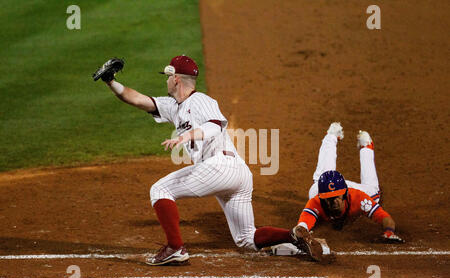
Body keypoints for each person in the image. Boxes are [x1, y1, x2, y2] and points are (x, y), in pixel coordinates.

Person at [98, 55, 322, 265]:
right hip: (235, 174)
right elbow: (137, 99)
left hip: (221, 166)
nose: (166, 81)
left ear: (176, 79)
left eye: (168, 77)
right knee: (246, 239)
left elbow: (214, 126)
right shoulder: (173, 106)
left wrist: (186, 136)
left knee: (160, 190)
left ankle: (175, 248)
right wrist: (110, 81)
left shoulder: (201, 101)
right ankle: (294, 236)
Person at [293, 122, 405, 243]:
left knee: (374, 194)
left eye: (336, 197)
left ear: (345, 194)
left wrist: (388, 232)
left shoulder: (359, 198)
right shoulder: (316, 200)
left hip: (348, 190)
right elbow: (302, 225)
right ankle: (331, 135)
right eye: (329, 198)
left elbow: (385, 217)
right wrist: (301, 233)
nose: (333, 201)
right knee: (323, 176)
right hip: (321, 187)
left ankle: (366, 147)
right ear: (322, 198)